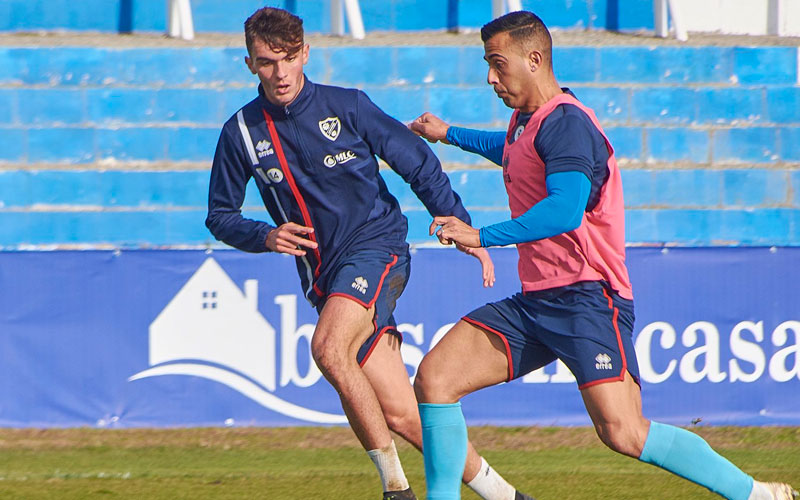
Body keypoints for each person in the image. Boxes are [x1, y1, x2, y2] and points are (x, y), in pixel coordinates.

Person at [409, 10, 798, 500]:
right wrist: (449, 134)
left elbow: (565, 211)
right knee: (435, 380)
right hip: (537, 301)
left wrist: (480, 236)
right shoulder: (526, 121)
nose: (490, 76)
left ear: (534, 59)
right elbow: (511, 149)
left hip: (587, 299)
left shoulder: (568, 124)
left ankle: (757, 495)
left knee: (625, 433)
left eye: (496, 63)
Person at [206, 7, 535, 500]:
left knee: (327, 348)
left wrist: (459, 224)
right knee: (401, 412)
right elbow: (219, 215)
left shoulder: (349, 107)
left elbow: (417, 161)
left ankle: (395, 489)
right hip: (325, 277)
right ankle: (505, 495)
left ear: (306, 55)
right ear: (249, 64)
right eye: (266, 62)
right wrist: (265, 236)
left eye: (288, 59)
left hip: (378, 250)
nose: (279, 73)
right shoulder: (241, 134)